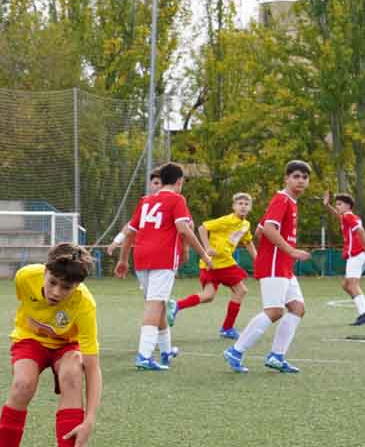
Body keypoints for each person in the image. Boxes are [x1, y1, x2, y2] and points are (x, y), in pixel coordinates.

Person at [0, 243, 102, 447]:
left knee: (73, 373)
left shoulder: (85, 305)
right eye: (52, 283)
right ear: (45, 271)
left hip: (66, 346)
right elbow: (25, 308)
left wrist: (90, 419)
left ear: (77, 286)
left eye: (67, 288)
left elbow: (93, 368)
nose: (57, 292)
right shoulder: (25, 277)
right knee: (23, 385)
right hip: (30, 339)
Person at [111, 162, 214, 370]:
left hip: (141, 257)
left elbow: (131, 232)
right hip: (162, 258)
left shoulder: (146, 200)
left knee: (159, 304)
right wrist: (203, 253)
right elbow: (184, 230)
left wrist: (123, 260)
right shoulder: (177, 199)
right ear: (179, 181)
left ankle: (166, 350)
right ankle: (144, 355)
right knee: (155, 305)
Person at [224, 160, 313, 373]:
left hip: (283, 265)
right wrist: (290, 251)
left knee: (297, 309)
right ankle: (236, 351)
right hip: (275, 263)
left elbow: (260, 229)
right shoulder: (282, 199)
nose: (301, 180)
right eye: (296, 176)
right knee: (274, 311)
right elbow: (270, 230)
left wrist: (284, 252)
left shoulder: (289, 201)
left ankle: (276, 356)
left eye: (304, 177)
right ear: (287, 178)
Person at [168, 192, 255, 340]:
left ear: (250, 208)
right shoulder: (226, 220)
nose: (243, 206)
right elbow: (202, 228)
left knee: (208, 296)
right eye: (240, 204)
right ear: (233, 207)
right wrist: (207, 247)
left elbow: (247, 241)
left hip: (212, 264)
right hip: (221, 263)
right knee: (241, 291)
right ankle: (227, 328)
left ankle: (177, 305)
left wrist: (257, 259)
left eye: (246, 204)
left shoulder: (245, 225)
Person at [328, 193, 365, 325]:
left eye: (339, 204)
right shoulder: (347, 216)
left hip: (356, 253)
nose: (337, 207)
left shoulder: (348, 215)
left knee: (352, 285)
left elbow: (360, 230)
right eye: (336, 204)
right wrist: (327, 206)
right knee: (346, 285)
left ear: (348, 206)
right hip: (357, 254)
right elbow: (338, 216)